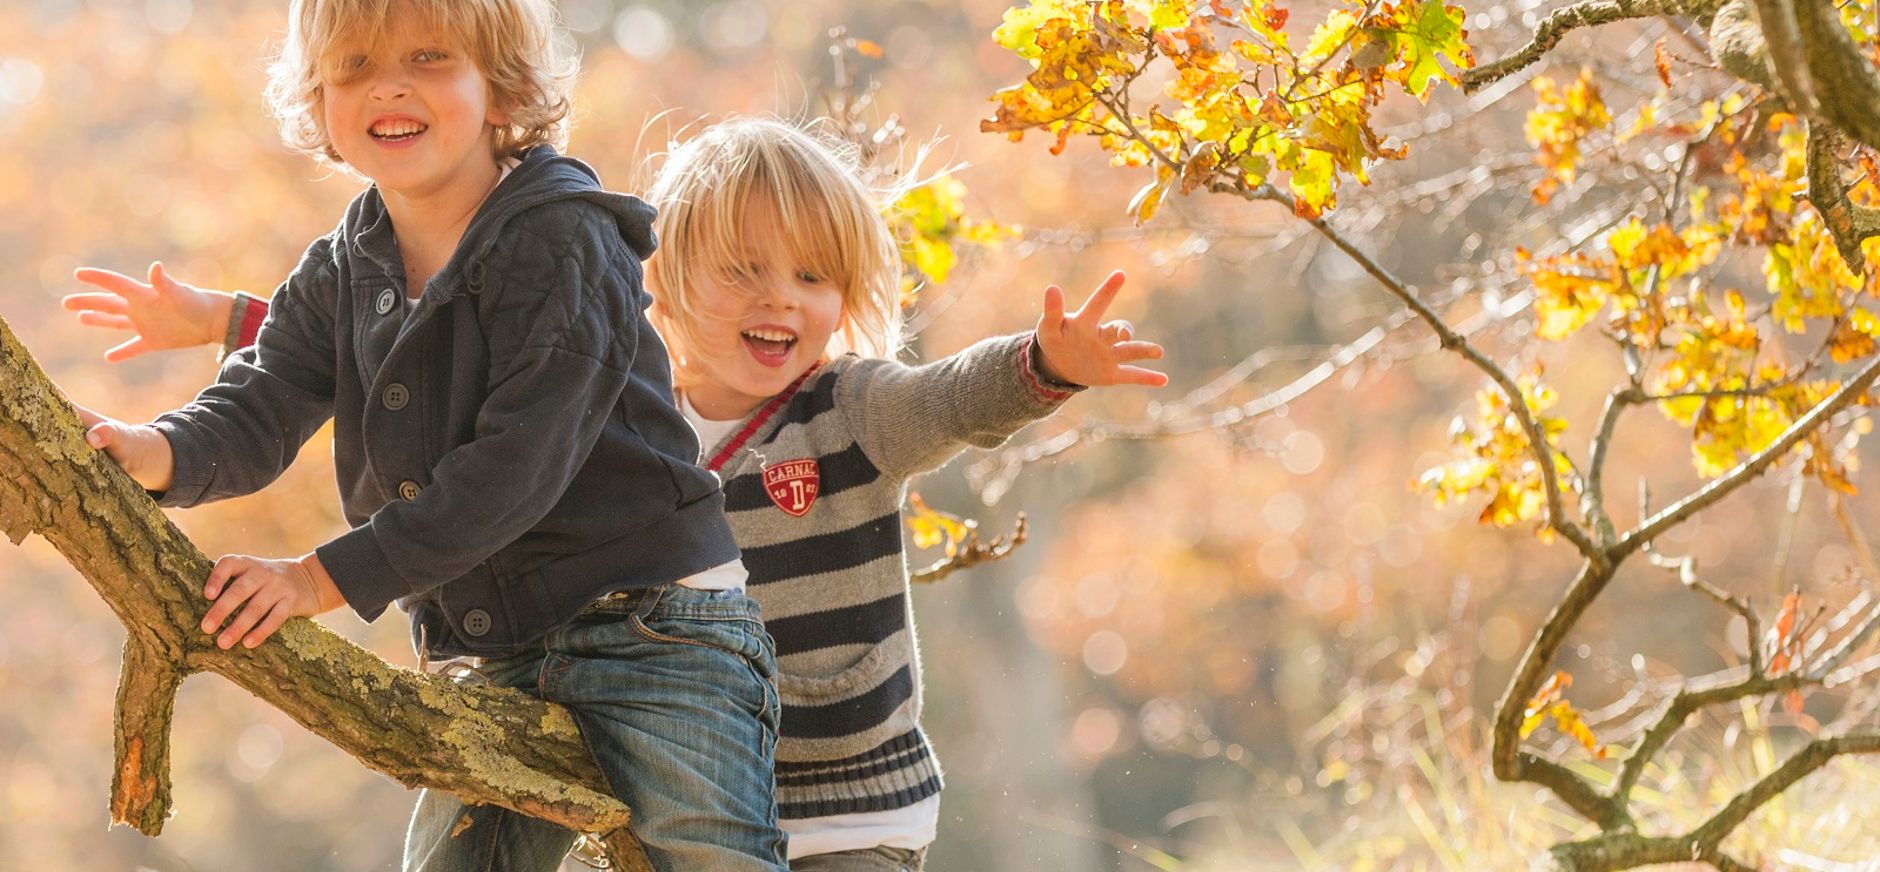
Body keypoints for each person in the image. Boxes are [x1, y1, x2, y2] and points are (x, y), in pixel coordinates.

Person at [68, 117, 1167, 871]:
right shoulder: (611, 400)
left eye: (811, 277)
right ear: (660, 280)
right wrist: (232, 320)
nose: (777, 299)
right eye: (740, 268)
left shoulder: (851, 406)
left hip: (839, 800)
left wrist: (1043, 364)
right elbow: (428, 346)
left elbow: (947, 400)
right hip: (654, 752)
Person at [61, 2, 786, 870]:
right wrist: (157, 451)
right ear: (320, 96)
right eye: (355, 65)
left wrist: (320, 578)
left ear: (499, 85)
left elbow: (514, 470)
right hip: (488, 652)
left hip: (652, 623)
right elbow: (264, 397)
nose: (389, 85)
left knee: (711, 856)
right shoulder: (343, 262)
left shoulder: (562, 236)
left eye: (430, 57)